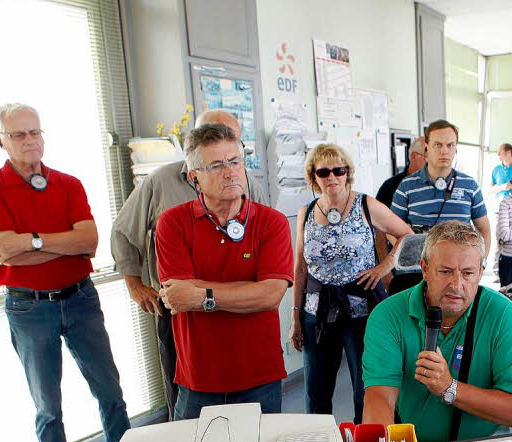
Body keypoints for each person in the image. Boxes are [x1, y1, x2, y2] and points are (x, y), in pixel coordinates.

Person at [0, 103, 130, 442]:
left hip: (80, 299)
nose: (30, 141)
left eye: (35, 132)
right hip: (28, 306)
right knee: (48, 408)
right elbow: (4, 251)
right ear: (0, 141)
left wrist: (31, 241)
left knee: (110, 392)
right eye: (18, 134)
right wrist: (61, 243)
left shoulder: (69, 184)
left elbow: (89, 241)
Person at [110, 109, 263, 418]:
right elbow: (124, 232)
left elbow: (264, 241)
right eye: (210, 136)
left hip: (239, 305)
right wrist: (134, 284)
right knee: (185, 397)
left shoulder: (249, 184)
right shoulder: (162, 181)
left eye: (231, 141)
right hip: (179, 312)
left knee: (246, 396)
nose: (221, 147)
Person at [362, 220, 512, 442]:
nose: (456, 285)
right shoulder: (388, 316)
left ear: (480, 272)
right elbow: (379, 398)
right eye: (445, 271)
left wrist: (449, 387)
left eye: (467, 273)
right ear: (424, 269)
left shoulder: (502, 315)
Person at [155, 123, 293, 419]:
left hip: (260, 376)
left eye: (235, 161)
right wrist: (247, 290)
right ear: (194, 178)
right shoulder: (172, 223)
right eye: (216, 165)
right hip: (199, 380)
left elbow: (270, 295)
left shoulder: (272, 223)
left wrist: (201, 295)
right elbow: (178, 295)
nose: (230, 172)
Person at [288, 144, 413, 422]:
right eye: (324, 171)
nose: (332, 177)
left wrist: (384, 266)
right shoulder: (306, 212)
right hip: (316, 312)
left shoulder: (366, 204)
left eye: (338, 170)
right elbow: (300, 267)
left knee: (364, 388)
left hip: (362, 310)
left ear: (347, 173)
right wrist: (295, 317)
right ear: (314, 176)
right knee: (316, 392)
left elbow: (406, 234)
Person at [389, 119, 491, 293]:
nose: (445, 151)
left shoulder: (470, 186)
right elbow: (390, 230)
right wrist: (415, 254)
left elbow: (484, 229)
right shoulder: (406, 186)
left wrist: (477, 265)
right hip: (416, 273)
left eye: (450, 145)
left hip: (457, 276)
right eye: (438, 145)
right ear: (426, 148)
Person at [376, 137, 424, 208]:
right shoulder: (390, 186)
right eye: (429, 157)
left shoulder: (441, 186)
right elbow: (377, 216)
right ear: (414, 156)